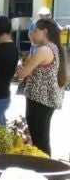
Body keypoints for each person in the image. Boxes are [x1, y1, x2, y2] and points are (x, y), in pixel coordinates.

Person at [16, 19, 68, 156]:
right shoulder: (54, 48)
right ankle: (46, 166)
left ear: (45, 32)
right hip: (46, 101)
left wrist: (21, 66)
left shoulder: (43, 50)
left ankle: (44, 168)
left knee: (39, 140)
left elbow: (22, 73)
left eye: (34, 31)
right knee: (42, 138)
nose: (31, 34)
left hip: (39, 100)